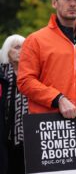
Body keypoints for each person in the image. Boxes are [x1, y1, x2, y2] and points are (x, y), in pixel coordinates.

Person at [0, 34, 27, 174]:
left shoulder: (32, 73)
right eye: (17, 47)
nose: (21, 51)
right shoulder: (2, 73)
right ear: (7, 51)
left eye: (24, 47)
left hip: (27, 135)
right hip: (5, 133)